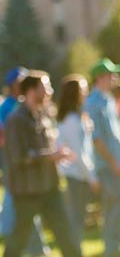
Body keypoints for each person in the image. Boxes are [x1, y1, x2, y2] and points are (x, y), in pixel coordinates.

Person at [3, 70, 81, 257]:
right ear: (31, 91)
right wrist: (50, 156)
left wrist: (57, 155)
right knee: (18, 240)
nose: (50, 91)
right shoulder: (16, 120)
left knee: (66, 235)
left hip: (49, 187)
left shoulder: (43, 116)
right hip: (26, 192)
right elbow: (18, 157)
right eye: (45, 87)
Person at [84, 58, 120, 257]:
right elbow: (96, 140)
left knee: (118, 204)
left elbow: (117, 134)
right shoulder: (92, 103)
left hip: (116, 163)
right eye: (111, 75)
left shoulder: (109, 99)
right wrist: (113, 163)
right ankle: (112, 249)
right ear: (100, 78)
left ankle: (114, 247)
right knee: (116, 204)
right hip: (106, 165)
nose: (114, 78)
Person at [0, 67, 49, 256]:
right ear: (13, 85)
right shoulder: (7, 107)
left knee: (24, 211)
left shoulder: (27, 105)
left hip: (31, 164)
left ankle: (35, 249)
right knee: (20, 208)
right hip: (15, 162)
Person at [56, 74, 99, 247]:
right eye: (82, 89)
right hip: (76, 175)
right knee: (75, 219)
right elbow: (78, 153)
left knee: (78, 218)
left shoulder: (78, 117)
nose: (86, 92)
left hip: (80, 174)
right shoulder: (71, 120)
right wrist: (92, 178)